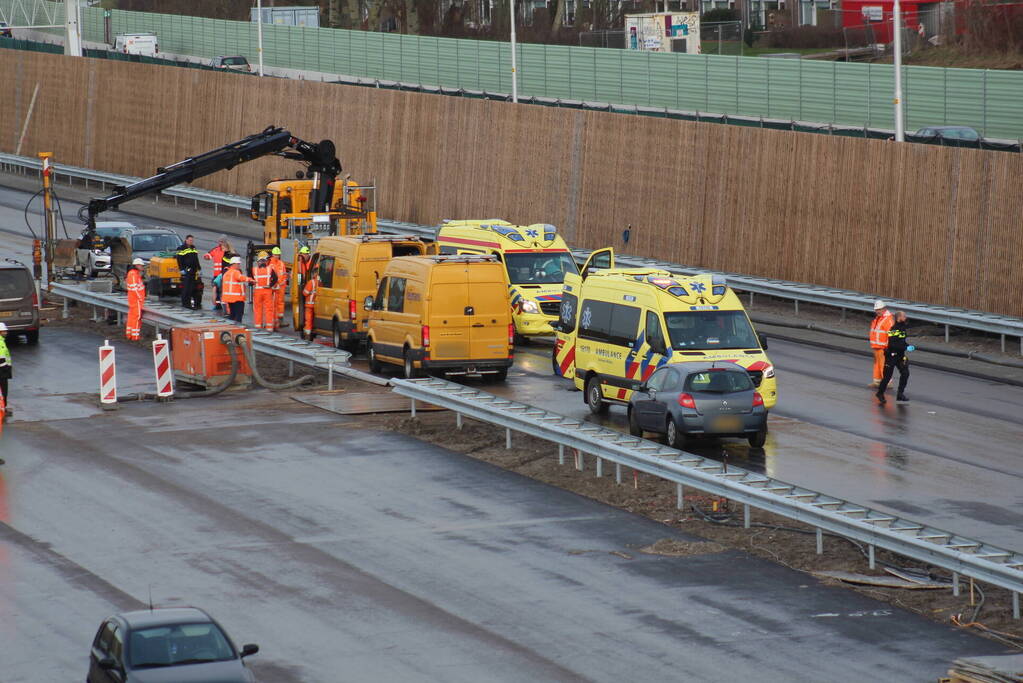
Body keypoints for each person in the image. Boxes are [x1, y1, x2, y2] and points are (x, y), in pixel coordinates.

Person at [876, 311, 910, 404]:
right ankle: (880, 393)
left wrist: (907, 345)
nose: (906, 317)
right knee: (887, 377)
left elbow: (902, 341)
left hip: (900, 356)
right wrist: (906, 347)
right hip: (891, 356)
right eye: (904, 316)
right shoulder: (894, 329)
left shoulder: (903, 328)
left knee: (905, 373)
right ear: (899, 317)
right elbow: (893, 345)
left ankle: (900, 394)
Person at [869, 299, 894, 387]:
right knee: (877, 364)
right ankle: (877, 381)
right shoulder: (878, 319)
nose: (877, 311)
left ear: (884, 309)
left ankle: (887, 383)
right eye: (876, 310)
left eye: (879, 309)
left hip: (884, 347)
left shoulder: (888, 320)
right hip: (877, 346)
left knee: (884, 365)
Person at [221, 256, 252, 323]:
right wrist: (250, 280)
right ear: (234, 264)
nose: (239, 265)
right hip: (237, 299)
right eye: (238, 264)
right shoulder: (235, 272)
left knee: (232, 315)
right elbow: (241, 278)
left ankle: (230, 328)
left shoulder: (226, 273)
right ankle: (237, 329)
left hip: (229, 298)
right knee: (238, 316)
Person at [203, 236, 229, 311]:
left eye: (222, 242)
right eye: (219, 241)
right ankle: (218, 305)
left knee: (224, 291)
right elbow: (209, 255)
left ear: (225, 242)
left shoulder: (228, 251)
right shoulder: (216, 250)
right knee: (217, 291)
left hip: (224, 274)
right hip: (216, 275)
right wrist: (206, 257)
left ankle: (226, 307)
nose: (220, 243)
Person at [251, 252, 276, 331]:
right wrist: (270, 285)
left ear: (258, 262)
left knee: (258, 309)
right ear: (266, 261)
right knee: (269, 309)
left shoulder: (254, 270)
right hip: (267, 291)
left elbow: (250, 281)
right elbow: (275, 279)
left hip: (258, 292)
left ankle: (258, 327)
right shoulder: (270, 269)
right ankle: (269, 327)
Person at [175, 235, 201, 309]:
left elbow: (196, 259)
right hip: (186, 271)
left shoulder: (193, 248)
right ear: (186, 240)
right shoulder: (181, 248)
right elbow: (179, 259)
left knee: (191, 288)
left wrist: (199, 268)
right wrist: (181, 269)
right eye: (190, 240)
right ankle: (185, 304)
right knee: (186, 288)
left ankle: (189, 304)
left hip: (193, 270)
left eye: (192, 240)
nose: (191, 242)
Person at [125, 257, 146, 341]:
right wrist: (140, 298)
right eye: (141, 265)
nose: (142, 267)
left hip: (134, 299)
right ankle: (135, 336)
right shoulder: (133, 274)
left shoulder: (134, 273)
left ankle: (129, 334)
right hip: (136, 300)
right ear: (137, 265)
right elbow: (134, 288)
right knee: (136, 317)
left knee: (132, 317)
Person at [268, 246, 288, 329]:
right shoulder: (269, 263)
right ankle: (272, 321)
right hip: (273, 287)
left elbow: (284, 275)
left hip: (281, 287)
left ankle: (280, 319)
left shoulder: (281, 263)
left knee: (280, 303)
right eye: (275, 255)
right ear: (272, 254)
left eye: (278, 255)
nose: (277, 256)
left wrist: (282, 283)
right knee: (272, 304)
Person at [302, 270, 319, 341]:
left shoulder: (311, 282)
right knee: (315, 319)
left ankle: (307, 335)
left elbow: (305, 293)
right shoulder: (321, 282)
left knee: (308, 320)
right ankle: (315, 331)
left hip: (309, 305)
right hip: (318, 305)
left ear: (314, 274)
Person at [0, 322, 11, 418]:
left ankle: (3, 409)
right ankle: (3, 410)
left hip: (3, 369)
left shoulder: (2, 341)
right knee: (3, 391)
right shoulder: (0, 342)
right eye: (4, 331)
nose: (6, 332)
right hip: (2, 370)